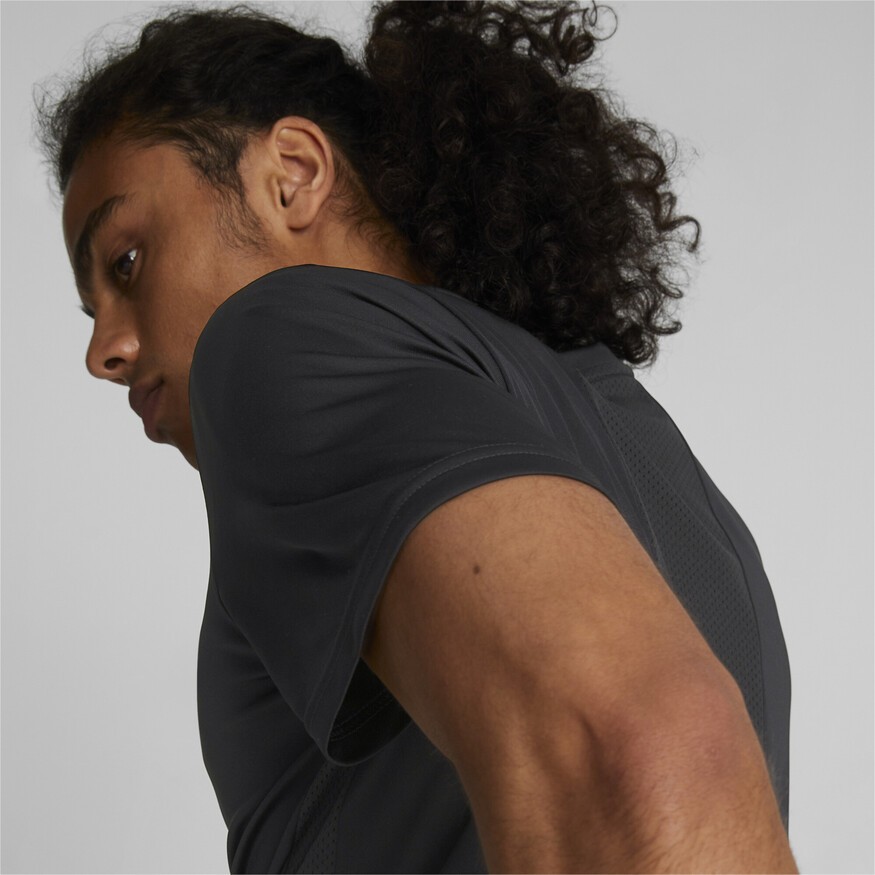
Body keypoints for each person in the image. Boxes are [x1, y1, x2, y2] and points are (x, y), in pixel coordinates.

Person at [36, 2, 798, 872]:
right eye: (92, 310)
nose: (103, 352)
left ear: (291, 174)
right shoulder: (656, 463)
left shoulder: (267, 341)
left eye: (127, 261)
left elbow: (648, 749)